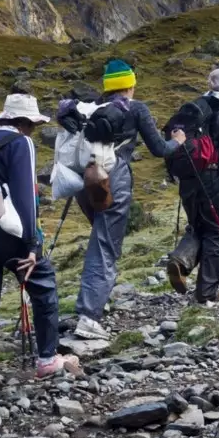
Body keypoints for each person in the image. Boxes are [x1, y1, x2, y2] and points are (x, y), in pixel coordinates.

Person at [0, 95, 80, 406]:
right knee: (42, 282)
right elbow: (25, 195)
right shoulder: (20, 143)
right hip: (7, 231)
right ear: (27, 123)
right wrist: (32, 245)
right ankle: (48, 358)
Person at [72, 59, 183, 340]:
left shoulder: (91, 108)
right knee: (106, 246)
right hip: (112, 178)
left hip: (83, 180)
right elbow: (159, 149)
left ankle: (96, 299)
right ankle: (89, 316)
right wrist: (178, 142)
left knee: (100, 237)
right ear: (131, 85)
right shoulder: (135, 109)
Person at [165, 66, 219, 303]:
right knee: (216, 231)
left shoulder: (197, 107)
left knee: (198, 224)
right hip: (214, 178)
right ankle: (207, 292)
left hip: (189, 178)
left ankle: (181, 260)